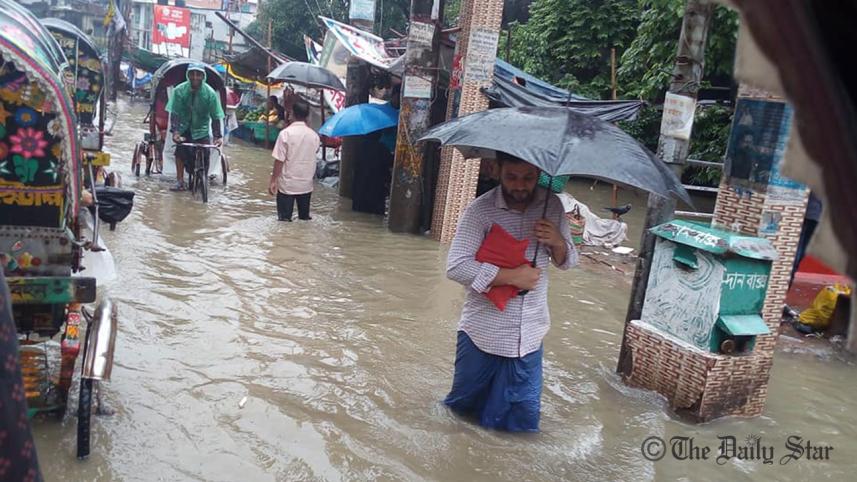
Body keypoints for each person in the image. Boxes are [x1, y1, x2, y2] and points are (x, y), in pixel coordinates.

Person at [443, 152, 578, 432]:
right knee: (461, 416)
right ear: (496, 171)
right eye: (512, 177)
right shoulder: (481, 210)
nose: (520, 186)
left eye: (528, 177)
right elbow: (456, 267)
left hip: (529, 337)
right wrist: (512, 277)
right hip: (482, 333)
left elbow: (568, 262)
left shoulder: (551, 206)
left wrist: (557, 242)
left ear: (539, 173)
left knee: (523, 426)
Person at [166, 63, 224, 191]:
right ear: (188, 75)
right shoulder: (179, 91)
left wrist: (217, 136)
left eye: (198, 74)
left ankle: (203, 179)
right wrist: (175, 132)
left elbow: (215, 116)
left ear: (203, 76)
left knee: (206, 153)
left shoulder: (210, 94)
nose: (195, 77)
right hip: (184, 128)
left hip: (201, 130)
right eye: (192, 74)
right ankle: (180, 181)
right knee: (179, 152)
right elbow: (175, 113)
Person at [269, 99, 320, 221]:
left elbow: (279, 160)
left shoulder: (285, 134)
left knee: (284, 221)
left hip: (287, 185)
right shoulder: (314, 136)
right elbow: (314, 153)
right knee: (304, 220)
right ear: (307, 116)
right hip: (306, 185)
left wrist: (273, 180)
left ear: (291, 114)